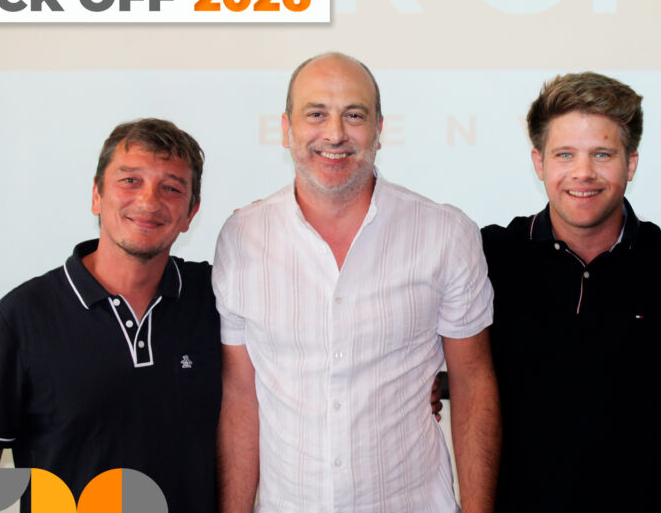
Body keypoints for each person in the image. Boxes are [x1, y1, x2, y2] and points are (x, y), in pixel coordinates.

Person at [213, 52, 500, 513]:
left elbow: (473, 383)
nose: (335, 134)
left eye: (354, 115)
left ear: (379, 130)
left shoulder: (445, 234)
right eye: (316, 114)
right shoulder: (241, 238)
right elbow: (241, 397)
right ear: (286, 129)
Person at [0, 119, 221, 512]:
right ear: (97, 195)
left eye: (171, 188)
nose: (148, 201)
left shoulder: (216, 297)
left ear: (190, 213)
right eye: (130, 181)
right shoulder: (24, 315)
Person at [482, 72, 661, 511]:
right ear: (539, 163)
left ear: (631, 163)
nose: (583, 173)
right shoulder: (490, 256)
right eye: (565, 154)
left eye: (602, 154)